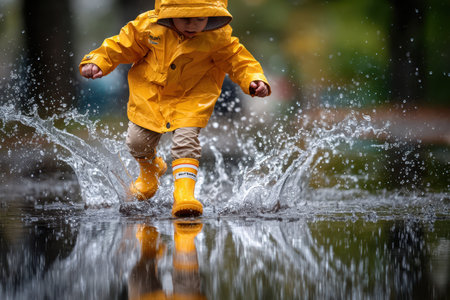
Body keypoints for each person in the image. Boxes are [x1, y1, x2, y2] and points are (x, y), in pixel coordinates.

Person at [79, 0, 271, 217]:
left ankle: (185, 194)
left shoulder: (217, 37)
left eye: (200, 19)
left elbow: (239, 61)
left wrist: (254, 80)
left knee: (185, 142)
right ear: (169, 13)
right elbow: (121, 45)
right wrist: (98, 61)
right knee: (137, 142)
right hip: (151, 96)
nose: (193, 25)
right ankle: (150, 171)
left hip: (192, 97)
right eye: (185, 19)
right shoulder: (149, 27)